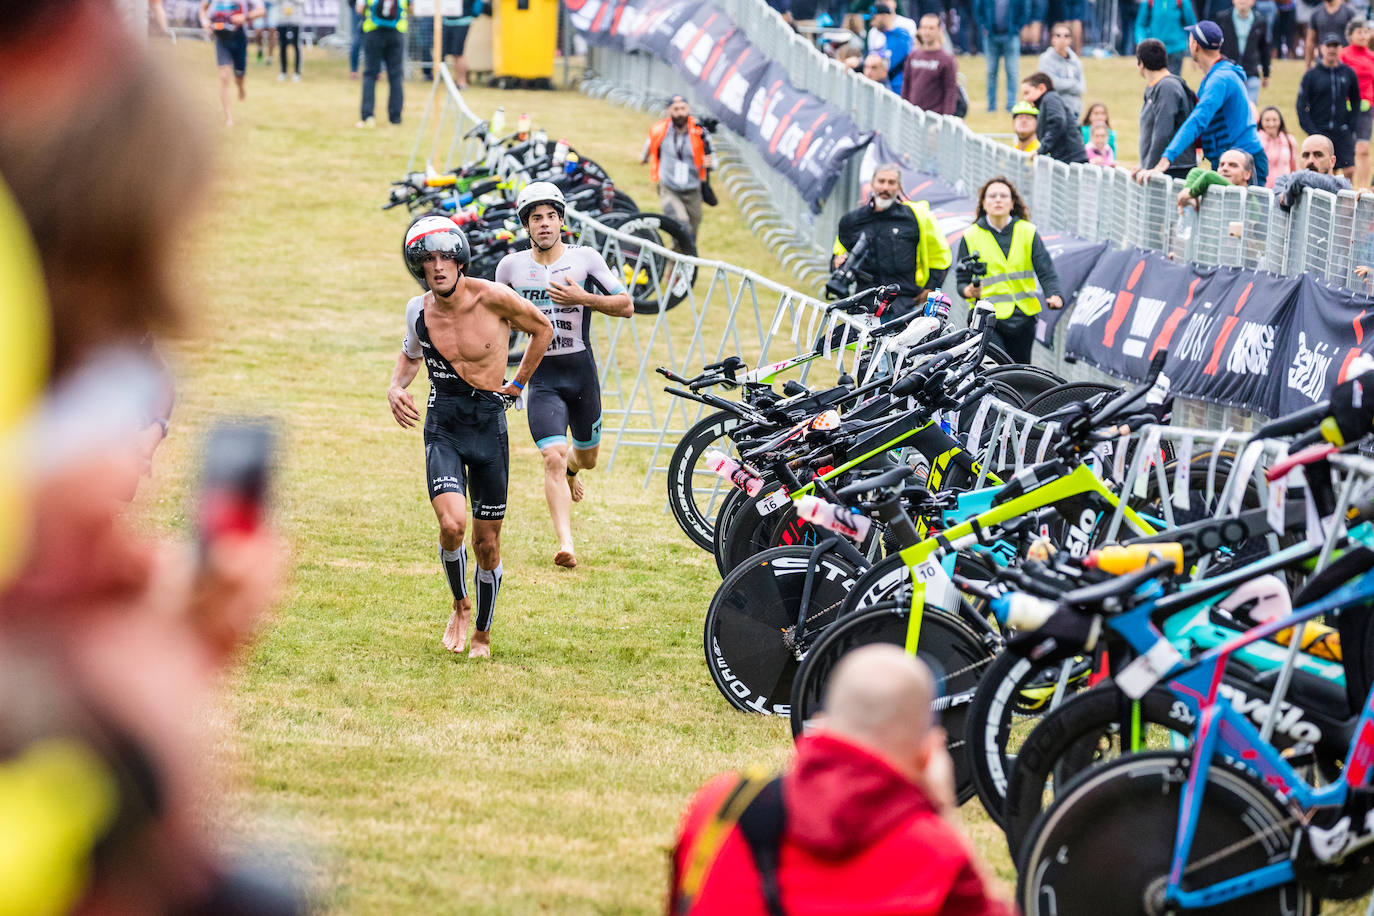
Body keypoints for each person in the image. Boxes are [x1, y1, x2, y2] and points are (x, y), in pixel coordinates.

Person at [668, 645, 1014, 916]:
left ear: (821, 722)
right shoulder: (937, 858)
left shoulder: (719, 806)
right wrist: (944, 817)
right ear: (927, 755)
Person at [387, 216, 554, 658]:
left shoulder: (494, 298)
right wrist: (395, 386)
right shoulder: (417, 310)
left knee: (487, 543)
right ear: (418, 267)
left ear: (460, 260)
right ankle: (460, 604)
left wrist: (517, 385)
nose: (438, 267)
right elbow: (410, 356)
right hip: (443, 425)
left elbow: (543, 330)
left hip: (488, 427)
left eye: (445, 257)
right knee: (451, 524)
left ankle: (482, 630)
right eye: (428, 260)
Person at [493, 184, 632, 569]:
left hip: (580, 372)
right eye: (536, 218)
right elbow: (492, 321)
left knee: (585, 459)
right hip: (543, 378)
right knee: (551, 456)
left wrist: (582, 298)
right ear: (526, 225)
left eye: (551, 216)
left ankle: (574, 469)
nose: (544, 224)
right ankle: (566, 543)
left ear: (561, 220)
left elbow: (626, 305)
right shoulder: (510, 268)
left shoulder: (585, 258)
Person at [1140, 21, 1269, 186]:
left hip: (1243, 161)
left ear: (1195, 45)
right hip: (1226, 161)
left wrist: (1167, 158)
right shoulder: (1214, 77)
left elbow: (1197, 120)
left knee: (1249, 212)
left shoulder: (1220, 79)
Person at [956, 176, 1063, 364]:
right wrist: (968, 291)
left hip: (1023, 318)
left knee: (1020, 374)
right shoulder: (971, 235)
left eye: (1004, 196)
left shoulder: (1028, 231)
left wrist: (1054, 294)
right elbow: (961, 279)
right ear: (984, 203)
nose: (998, 200)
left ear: (1012, 203)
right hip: (988, 318)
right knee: (996, 371)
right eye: (992, 196)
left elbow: (1045, 269)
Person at [833, 164, 952, 321]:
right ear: (872, 184)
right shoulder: (851, 221)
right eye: (881, 181)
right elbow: (837, 256)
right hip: (863, 303)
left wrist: (930, 288)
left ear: (899, 186)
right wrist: (837, 263)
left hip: (904, 304)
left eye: (891, 182)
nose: (885, 187)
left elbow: (940, 256)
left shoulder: (916, 217)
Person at [641, 95, 715, 244]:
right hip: (669, 188)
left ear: (688, 110)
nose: (680, 113)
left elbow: (713, 158)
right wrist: (644, 158)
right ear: (669, 111)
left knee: (692, 234)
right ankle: (675, 260)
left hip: (693, 190)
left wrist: (710, 163)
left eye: (683, 109)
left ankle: (686, 262)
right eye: (676, 109)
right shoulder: (660, 130)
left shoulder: (700, 133)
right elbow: (650, 145)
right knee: (681, 224)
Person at [1297, 33, 1362, 176]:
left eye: (1335, 46)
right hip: (1320, 130)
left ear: (1341, 49)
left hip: (1342, 130)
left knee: (1349, 169)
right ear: (1321, 48)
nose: (1332, 50)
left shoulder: (1348, 73)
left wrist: (1351, 126)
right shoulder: (1311, 75)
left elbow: (1356, 101)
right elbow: (1301, 105)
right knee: (1326, 171)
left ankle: (1346, 197)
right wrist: (1312, 130)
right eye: (1328, 46)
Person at [1137, 37, 1199, 177]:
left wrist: (1149, 167)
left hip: (1173, 169)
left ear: (1141, 64)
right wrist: (1143, 164)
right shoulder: (1154, 87)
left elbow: (1163, 132)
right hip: (1159, 168)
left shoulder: (1167, 87)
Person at [200, 0, 265, 127]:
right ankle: (228, 117)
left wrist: (245, 17)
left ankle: (240, 87)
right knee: (224, 77)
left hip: (239, 37)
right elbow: (203, 9)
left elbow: (261, 10)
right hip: (221, 39)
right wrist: (205, 22)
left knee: (239, 76)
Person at [356, 0, 407, 128]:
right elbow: (411, 8)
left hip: (374, 32)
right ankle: (395, 117)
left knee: (370, 75)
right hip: (396, 33)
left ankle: (367, 116)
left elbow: (359, 8)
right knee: (395, 75)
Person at [973, 0, 1030, 111]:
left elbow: (1025, 9)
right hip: (990, 36)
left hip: (1011, 35)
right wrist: (984, 26)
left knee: (1012, 71)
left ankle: (1011, 105)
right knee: (991, 71)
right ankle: (991, 106)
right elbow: (978, 8)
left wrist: (1017, 28)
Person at [1020, 72, 1089, 162]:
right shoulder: (1047, 101)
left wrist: (1041, 149)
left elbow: (1057, 122)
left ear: (1041, 88)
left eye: (1027, 93)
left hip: (1071, 158)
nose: (1025, 98)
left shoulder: (1050, 98)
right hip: (1066, 157)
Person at [414, 0, 482, 89]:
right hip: (447, 21)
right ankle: (455, 80)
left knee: (458, 53)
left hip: (462, 21)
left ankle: (462, 82)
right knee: (445, 53)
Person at [1273, 133, 1355, 206]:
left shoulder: (1342, 185)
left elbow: (1341, 188)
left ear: (1332, 161)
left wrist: (1298, 180)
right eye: (1306, 155)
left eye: (1318, 155)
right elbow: (1280, 202)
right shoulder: (1283, 181)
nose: (1310, 160)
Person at [902, 13, 960, 113]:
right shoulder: (913, 56)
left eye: (931, 28)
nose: (927, 32)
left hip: (935, 117)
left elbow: (950, 91)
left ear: (939, 30)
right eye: (924, 28)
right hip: (913, 115)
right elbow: (906, 86)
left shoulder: (947, 60)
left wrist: (946, 117)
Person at [1340, 18, 1374, 187]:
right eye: (1359, 32)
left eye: (1365, 31)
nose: (1363, 35)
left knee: (1363, 149)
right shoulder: (1343, 55)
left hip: (1366, 107)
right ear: (1350, 35)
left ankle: (1363, 189)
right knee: (1347, 150)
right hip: (1345, 108)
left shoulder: (1372, 57)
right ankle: (1347, 188)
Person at [1219, 0, 1272, 107]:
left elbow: (1264, 49)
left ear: (1253, 2)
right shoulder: (1223, 18)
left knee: (1250, 109)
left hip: (1251, 72)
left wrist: (1266, 73)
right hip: (1228, 71)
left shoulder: (1260, 21)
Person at [1176, 148, 1255, 210]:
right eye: (1221, 165)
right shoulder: (1219, 185)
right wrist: (1187, 188)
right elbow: (1195, 171)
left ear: (1247, 174)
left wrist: (1190, 194)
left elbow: (1209, 176)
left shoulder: (1251, 198)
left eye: (1233, 165)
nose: (1225, 168)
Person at [1038, 22, 1086, 120]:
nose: (1062, 39)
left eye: (1066, 36)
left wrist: (1065, 84)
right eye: (1058, 35)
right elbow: (1051, 84)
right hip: (1054, 110)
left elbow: (1081, 87)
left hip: (1074, 109)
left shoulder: (1075, 60)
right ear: (1052, 38)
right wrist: (1073, 83)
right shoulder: (1045, 59)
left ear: (1071, 39)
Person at [1135, 0, 1198, 73]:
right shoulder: (1148, 2)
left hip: (1176, 49)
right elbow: (1140, 24)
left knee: (1172, 79)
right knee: (1156, 79)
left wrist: (1195, 51)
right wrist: (1141, 42)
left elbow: (1191, 24)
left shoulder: (1181, 1)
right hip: (1154, 50)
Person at [867, 3, 913, 92]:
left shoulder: (900, 36)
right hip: (890, 88)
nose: (872, 23)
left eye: (874, 18)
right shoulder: (887, 36)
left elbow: (885, 65)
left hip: (900, 90)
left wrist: (859, 63)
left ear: (884, 16)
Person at [1307, 0, 1356, 67]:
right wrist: (1308, 65)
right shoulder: (1316, 12)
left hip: (1345, 63)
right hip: (1322, 62)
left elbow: (1356, 39)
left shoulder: (1349, 12)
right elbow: (1310, 41)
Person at [1258, 105, 1299, 185]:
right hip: (1263, 188)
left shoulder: (1289, 140)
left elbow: (1293, 167)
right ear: (1261, 122)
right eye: (1267, 120)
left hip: (1284, 188)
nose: (1271, 124)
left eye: (1274, 120)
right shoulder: (1257, 141)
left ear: (1280, 121)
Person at [276, 0, 301, 81]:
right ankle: (283, 71)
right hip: (282, 19)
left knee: (296, 46)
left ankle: (297, 72)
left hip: (295, 20)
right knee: (282, 46)